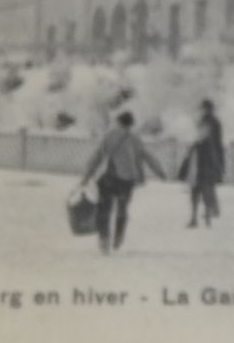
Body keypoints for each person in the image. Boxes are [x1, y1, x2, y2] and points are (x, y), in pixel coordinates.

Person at [79, 111, 168, 255]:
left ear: (119, 121)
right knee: (122, 209)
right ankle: (118, 238)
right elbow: (148, 156)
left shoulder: (109, 136)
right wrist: (160, 172)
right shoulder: (135, 139)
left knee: (104, 209)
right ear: (131, 123)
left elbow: (97, 157)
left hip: (109, 179)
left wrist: (86, 176)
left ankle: (104, 240)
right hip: (127, 181)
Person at [179, 99, 225, 228]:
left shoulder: (211, 124)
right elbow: (217, 144)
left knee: (202, 190)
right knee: (202, 189)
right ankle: (203, 216)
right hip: (204, 161)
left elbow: (212, 143)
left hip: (204, 161)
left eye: (205, 108)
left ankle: (202, 217)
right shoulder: (211, 123)